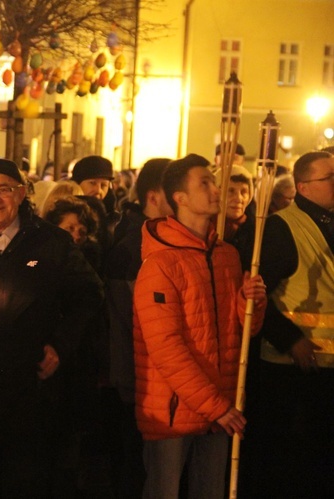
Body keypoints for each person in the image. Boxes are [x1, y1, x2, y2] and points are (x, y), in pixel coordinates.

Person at [0, 158, 104, 497]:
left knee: (28, 477)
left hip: (31, 381)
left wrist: (60, 346)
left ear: (22, 193)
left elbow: (88, 297)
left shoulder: (51, 243)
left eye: (3, 190)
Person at [133, 153, 267, 499]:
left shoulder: (227, 255)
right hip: (174, 409)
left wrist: (251, 302)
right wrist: (216, 406)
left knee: (210, 490)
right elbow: (166, 349)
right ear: (180, 198)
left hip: (220, 400)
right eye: (204, 183)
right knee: (165, 490)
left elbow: (243, 334)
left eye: (213, 181)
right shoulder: (160, 263)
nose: (215, 190)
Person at [250, 151, 334, 498]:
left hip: (328, 369)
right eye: (330, 178)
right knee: (294, 464)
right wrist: (291, 340)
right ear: (304, 186)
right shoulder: (281, 227)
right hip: (292, 369)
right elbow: (256, 297)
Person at [104, 157, 172, 498]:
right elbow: (124, 324)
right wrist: (128, 384)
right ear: (156, 196)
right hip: (142, 384)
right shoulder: (134, 247)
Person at [215, 165, 255, 270]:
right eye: (230, 191)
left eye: (244, 192)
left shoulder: (255, 231)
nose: (238, 199)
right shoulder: (204, 229)